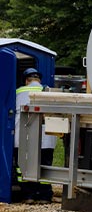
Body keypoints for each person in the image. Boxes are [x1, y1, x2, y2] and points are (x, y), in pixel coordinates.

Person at [14, 68, 56, 204]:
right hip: (46, 138)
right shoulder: (49, 91)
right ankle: (44, 196)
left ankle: (28, 195)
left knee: (23, 167)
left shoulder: (18, 92)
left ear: (26, 80)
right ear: (39, 80)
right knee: (45, 166)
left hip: (23, 137)